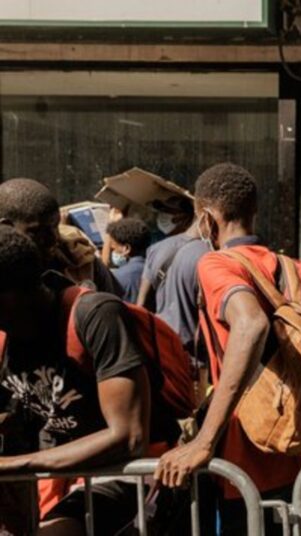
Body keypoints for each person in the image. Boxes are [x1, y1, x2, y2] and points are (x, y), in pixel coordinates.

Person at [152, 162, 301, 535]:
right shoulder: (295, 269)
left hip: (247, 452)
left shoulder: (216, 264)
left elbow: (251, 323)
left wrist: (205, 440)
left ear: (208, 219)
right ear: (253, 213)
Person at [0, 226, 181, 534]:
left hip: (131, 473)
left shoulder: (95, 315)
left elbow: (128, 437)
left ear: (9, 295)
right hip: (63, 475)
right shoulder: (6, 341)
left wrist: (13, 466)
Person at [0, 178, 121, 296]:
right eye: (38, 231)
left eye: (55, 227)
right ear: (6, 227)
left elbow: (115, 308)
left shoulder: (83, 261)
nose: (53, 239)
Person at [136, 194, 196, 310]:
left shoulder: (156, 249)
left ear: (185, 218)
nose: (163, 216)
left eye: (169, 211)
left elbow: (142, 303)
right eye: (162, 211)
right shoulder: (155, 243)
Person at [105, 217, 151, 304]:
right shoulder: (157, 269)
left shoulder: (117, 277)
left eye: (114, 247)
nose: (112, 249)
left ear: (126, 248)